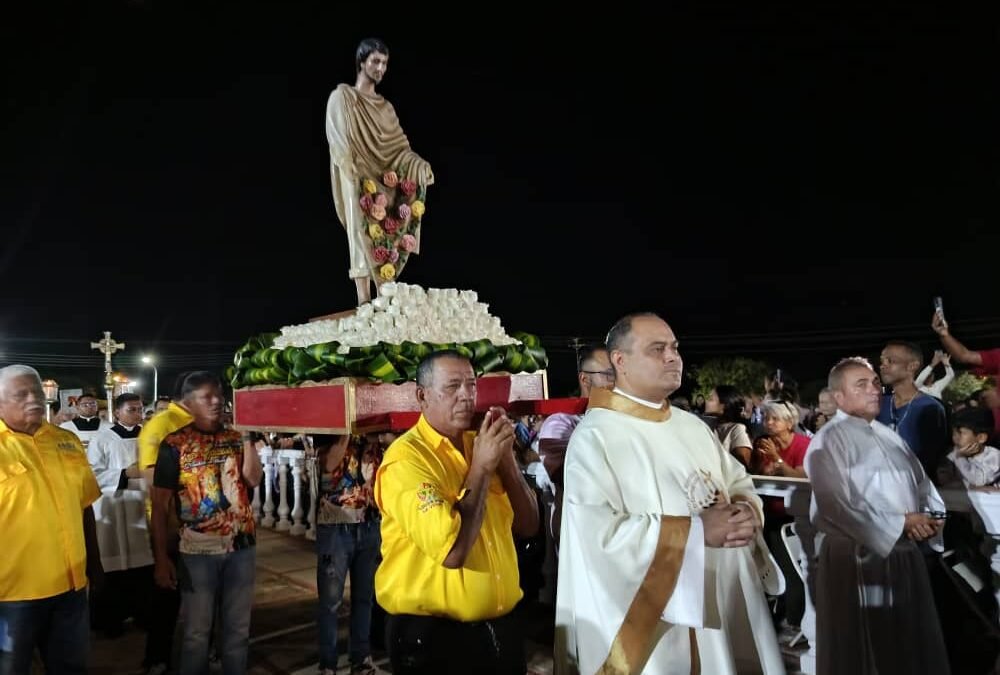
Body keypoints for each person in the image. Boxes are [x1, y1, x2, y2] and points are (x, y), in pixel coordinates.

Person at [554, 313, 785, 675]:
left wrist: (745, 509)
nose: (673, 357)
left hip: (723, 591)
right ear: (620, 361)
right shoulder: (595, 436)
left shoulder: (691, 425)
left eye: (675, 348)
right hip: (662, 617)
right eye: (657, 349)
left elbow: (736, 480)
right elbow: (596, 536)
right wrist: (695, 532)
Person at [374, 350, 539, 674]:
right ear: (422, 396)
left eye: (472, 385)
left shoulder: (478, 443)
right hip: (435, 638)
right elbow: (453, 551)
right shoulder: (408, 459)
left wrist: (505, 462)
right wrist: (481, 467)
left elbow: (529, 525)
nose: (466, 396)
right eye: (452, 387)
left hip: (500, 629)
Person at [804, 356, 950, 675]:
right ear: (839, 397)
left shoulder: (889, 436)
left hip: (902, 554)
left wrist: (930, 518)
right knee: (866, 649)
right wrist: (900, 523)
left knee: (905, 646)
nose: (874, 390)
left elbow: (921, 486)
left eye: (874, 383)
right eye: (862, 385)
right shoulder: (827, 441)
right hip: (860, 559)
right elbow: (835, 506)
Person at [151, 371, 263, 675]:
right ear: (188, 403)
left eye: (218, 394)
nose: (216, 401)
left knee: (238, 631)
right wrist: (161, 558)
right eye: (206, 396)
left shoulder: (235, 437)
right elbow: (160, 507)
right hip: (197, 551)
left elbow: (253, 479)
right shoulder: (174, 444)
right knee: (196, 633)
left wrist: (249, 436)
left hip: (241, 547)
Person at [0, 365, 103, 673]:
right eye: (21, 394)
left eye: (37, 392)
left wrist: (94, 565)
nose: (33, 399)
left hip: (70, 589)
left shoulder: (67, 441)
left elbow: (84, 507)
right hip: (12, 594)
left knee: (70, 667)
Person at [327, 37, 434, 305]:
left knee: (386, 225)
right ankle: (363, 298)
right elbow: (338, 138)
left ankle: (384, 295)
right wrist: (351, 166)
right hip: (355, 173)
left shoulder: (386, 108)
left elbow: (400, 148)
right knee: (359, 218)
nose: (381, 68)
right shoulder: (343, 97)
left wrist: (417, 163)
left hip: (383, 178)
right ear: (361, 62)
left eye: (385, 63)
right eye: (376, 61)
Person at [313, 434, 386, 675]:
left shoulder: (372, 426)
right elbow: (329, 465)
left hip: (369, 523)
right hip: (336, 524)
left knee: (365, 598)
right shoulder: (328, 426)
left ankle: (361, 658)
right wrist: (346, 430)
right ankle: (328, 663)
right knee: (330, 601)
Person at [86, 393, 154, 640]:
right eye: (132, 409)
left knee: (143, 565)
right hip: (114, 507)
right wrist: (125, 473)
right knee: (112, 567)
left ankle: (144, 615)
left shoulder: (149, 436)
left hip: (140, 504)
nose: (137, 413)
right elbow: (92, 473)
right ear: (117, 412)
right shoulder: (102, 438)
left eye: (140, 409)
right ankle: (109, 620)